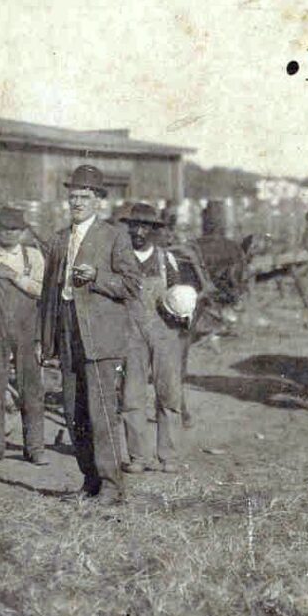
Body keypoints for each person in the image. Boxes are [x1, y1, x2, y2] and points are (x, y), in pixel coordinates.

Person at [38, 164, 142, 504]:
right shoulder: (58, 238)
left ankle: (112, 487)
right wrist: (47, 338)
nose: (77, 202)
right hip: (68, 331)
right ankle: (90, 482)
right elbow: (48, 295)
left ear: (99, 200)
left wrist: (97, 276)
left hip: (100, 336)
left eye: (85, 197)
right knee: (73, 412)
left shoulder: (114, 236)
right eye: (73, 197)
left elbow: (132, 285)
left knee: (101, 413)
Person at [0, 206, 47, 466]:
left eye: (16, 229)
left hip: (26, 331)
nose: (11, 234)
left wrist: (14, 277)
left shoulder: (33, 256)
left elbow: (41, 291)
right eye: (6, 229)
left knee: (31, 388)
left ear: (23, 231)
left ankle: (35, 447)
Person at [116, 201, 187, 473]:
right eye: (134, 225)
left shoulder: (165, 259)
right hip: (130, 333)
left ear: (153, 230)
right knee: (132, 396)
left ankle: (169, 456)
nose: (139, 231)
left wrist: (182, 315)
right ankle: (138, 458)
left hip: (164, 332)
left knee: (168, 393)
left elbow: (180, 296)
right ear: (128, 228)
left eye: (145, 226)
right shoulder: (120, 258)